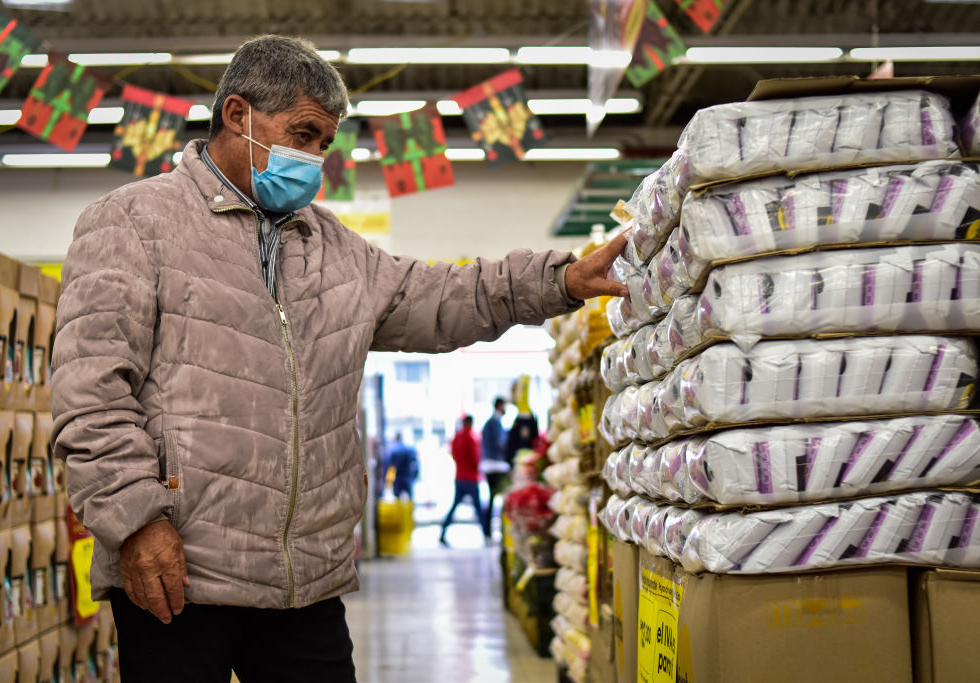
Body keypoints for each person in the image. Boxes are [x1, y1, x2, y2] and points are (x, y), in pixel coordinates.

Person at [51, 34, 628, 683]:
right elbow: (90, 389)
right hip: (179, 573)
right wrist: (135, 522)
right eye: (302, 133)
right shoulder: (134, 221)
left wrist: (558, 281)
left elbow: (441, 295)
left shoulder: (335, 250)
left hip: (305, 579)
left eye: (324, 142)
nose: (314, 158)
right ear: (238, 115)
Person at [439, 415, 486, 545]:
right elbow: (475, 458)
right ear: (471, 423)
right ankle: (486, 533)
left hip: (459, 476)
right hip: (471, 478)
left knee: (454, 506)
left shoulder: (457, 437)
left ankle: (443, 531)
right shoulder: (472, 438)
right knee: (478, 507)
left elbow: (453, 454)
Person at [479, 397, 509, 537]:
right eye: (504, 405)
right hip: (496, 465)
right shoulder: (495, 423)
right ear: (499, 405)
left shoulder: (489, 423)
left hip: (489, 465)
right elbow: (500, 443)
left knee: (492, 498)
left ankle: (488, 532)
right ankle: (495, 532)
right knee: (500, 497)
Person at [385, 433, 418, 500]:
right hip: (407, 477)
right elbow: (414, 465)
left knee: (397, 498)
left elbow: (389, 467)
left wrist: (388, 482)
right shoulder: (409, 450)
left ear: (395, 439)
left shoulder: (392, 450)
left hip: (397, 478)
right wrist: (414, 477)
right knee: (409, 498)